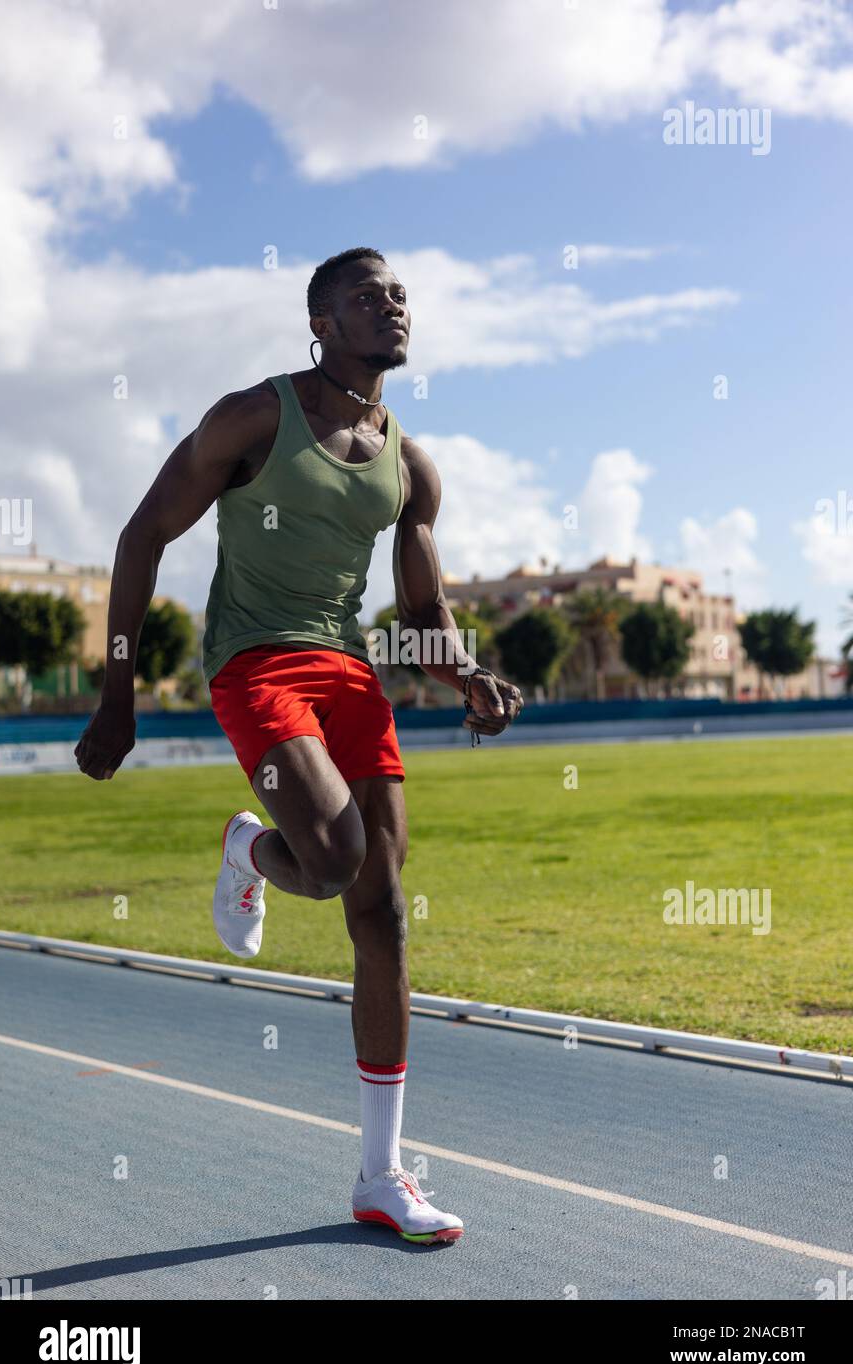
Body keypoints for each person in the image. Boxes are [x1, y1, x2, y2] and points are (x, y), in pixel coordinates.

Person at [76, 246, 524, 1243]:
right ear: (318, 322)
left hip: (349, 672)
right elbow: (140, 535)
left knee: (385, 913)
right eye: (367, 298)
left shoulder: (409, 465)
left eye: (399, 296)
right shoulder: (252, 417)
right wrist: (118, 694)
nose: (390, 308)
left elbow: (422, 604)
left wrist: (464, 676)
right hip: (256, 663)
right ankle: (249, 847)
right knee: (328, 861)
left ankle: (379, 1175)